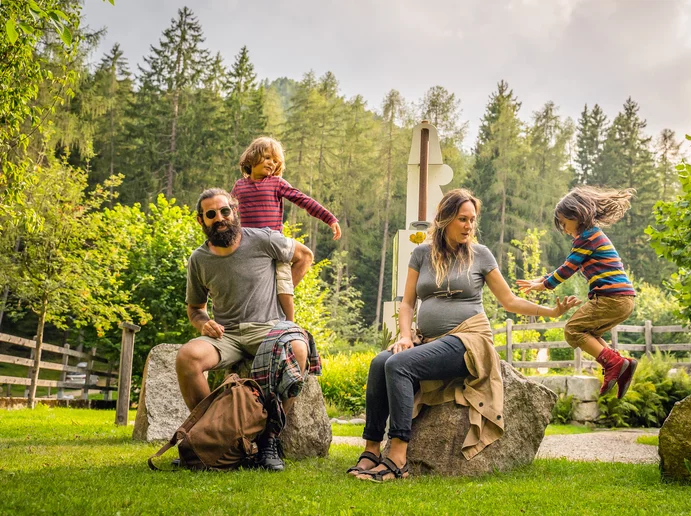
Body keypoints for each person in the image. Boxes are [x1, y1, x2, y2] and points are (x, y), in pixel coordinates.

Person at [348, 189, 578, 482]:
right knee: (381, 362)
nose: (469, 226)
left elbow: (509, 301)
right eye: (462, 219)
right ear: (445, 219)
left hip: (469, 340)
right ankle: (370, 450)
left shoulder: (481, 255)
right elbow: (407, 303)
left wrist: (551, 312)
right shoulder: (421, 254)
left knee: (398, 365)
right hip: (428, 340)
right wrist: (405, 336)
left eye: (472, 220)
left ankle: (398, 456)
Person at [176, 188, 318, 471]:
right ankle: (214, 437)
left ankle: (269, 441)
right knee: (187, 357)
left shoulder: (263, 239)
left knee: (298, 348)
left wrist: (283, 294)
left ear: (235, 210)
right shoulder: (199, 259)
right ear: (200, 220)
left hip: (268, 329)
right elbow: (195, 309)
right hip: (225, 335)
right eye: (211, 214)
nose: (220, 218)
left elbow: (304, 255)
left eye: (225, 211)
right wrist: (204, 322)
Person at [517, 185, 638, 399]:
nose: (564, 230)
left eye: (564, 223)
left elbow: (567, 268)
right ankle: (622, 366)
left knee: (572, 330)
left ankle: (614, 363)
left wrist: (545, 285)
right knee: (589, 333)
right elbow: (568, 264)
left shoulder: (587, 238)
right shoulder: (592, 236)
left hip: (611, 298)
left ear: (578, 214)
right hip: (623, 299)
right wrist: (542, 279)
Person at [231, 136, 341, 323]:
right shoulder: (239, 186)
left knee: (284, 286)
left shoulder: (276, 183)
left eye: (275, 161)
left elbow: (303, 200)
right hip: (249, 245)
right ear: (252, 157)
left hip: (274, 246)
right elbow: (229, 213)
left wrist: (329, 218)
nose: (271, 163)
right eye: (267, 157)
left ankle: (288, 325)